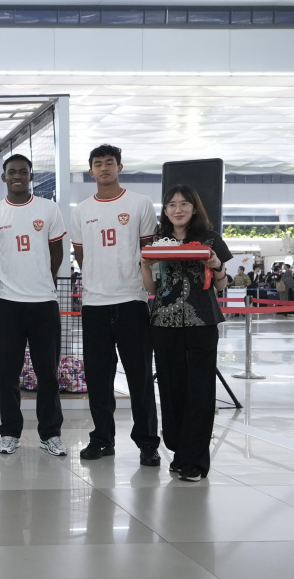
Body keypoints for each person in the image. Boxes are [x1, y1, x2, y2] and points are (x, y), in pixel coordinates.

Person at [70, 144, 161, 466]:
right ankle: (102, 438)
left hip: (132, 300)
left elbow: (148, 253)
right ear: (91, 171)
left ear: (120, 167)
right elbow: (81, 256)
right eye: (98, 163)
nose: (104, 168)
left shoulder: (139, 204)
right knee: (98, 378)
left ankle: (148, 442)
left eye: (110, 162)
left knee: (139, 376)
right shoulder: (80, 210)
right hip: (94, 302)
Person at [142, 185, 231, 481]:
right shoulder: (157, 241)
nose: (177, 209)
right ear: (165, 210)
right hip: (164, 323)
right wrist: (145, 265)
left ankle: (196, 460)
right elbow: (152, 288)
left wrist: (216, 265)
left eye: (184, 204)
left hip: (201, 322)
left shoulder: (209, 238)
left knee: (201, 391)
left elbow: (221, 285)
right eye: (171, 205)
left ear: (194, 208)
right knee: (171, 388)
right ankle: (179, 451)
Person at [0, 154, 68, 457]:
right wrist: (0, 281)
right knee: (7, 374)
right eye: (11, 172)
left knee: (48, 374)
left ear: (31, 176)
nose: (17, 176)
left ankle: (51, 434)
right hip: (8, 305)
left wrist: (45, 279)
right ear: (3, 177)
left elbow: (56, 253)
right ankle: (10, 433)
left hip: (44, 303)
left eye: (23, 172)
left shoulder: (48, 209)